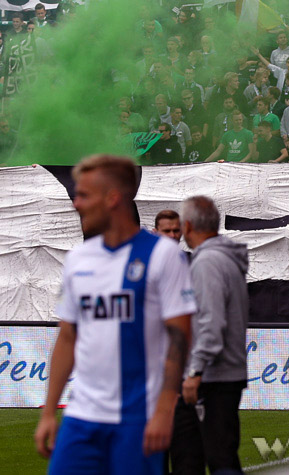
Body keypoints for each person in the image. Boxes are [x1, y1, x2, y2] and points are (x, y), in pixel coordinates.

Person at [34, 155, 196, 473]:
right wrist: (49, 411)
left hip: (138, 419)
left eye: (83, 195)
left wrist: (164, 410)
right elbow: (68, 337)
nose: (75, 204)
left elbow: (180, 337)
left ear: (112, 199)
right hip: (81, 418)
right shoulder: (78, 259)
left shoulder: (163, 255)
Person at [170, 196, 249, 475]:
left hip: (209, 378)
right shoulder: (226, 259)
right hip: (223, 374)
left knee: (197, 458)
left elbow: (211, 323)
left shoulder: (208, 262)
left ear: (188, 225)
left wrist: (194, 371)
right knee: (220, 456)